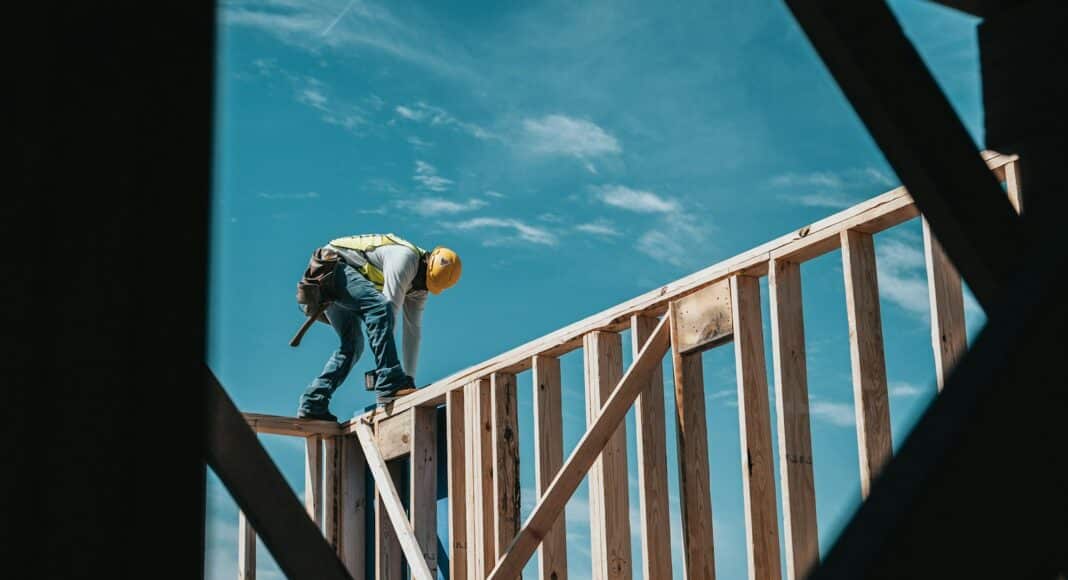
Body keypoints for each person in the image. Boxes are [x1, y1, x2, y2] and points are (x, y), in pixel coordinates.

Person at [296, 233, 461, 420]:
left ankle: (313, 402)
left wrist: (409, 379)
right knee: (380, 308)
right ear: (426, 262)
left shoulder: (419, 288)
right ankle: (389, 381)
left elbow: (413, 332)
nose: (420, 288)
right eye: (422, 281)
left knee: (352, 346)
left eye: (426, 285)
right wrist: (390, 378)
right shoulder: (405, 259)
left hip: (339, 280)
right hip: (329, 268)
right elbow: (388, 310)